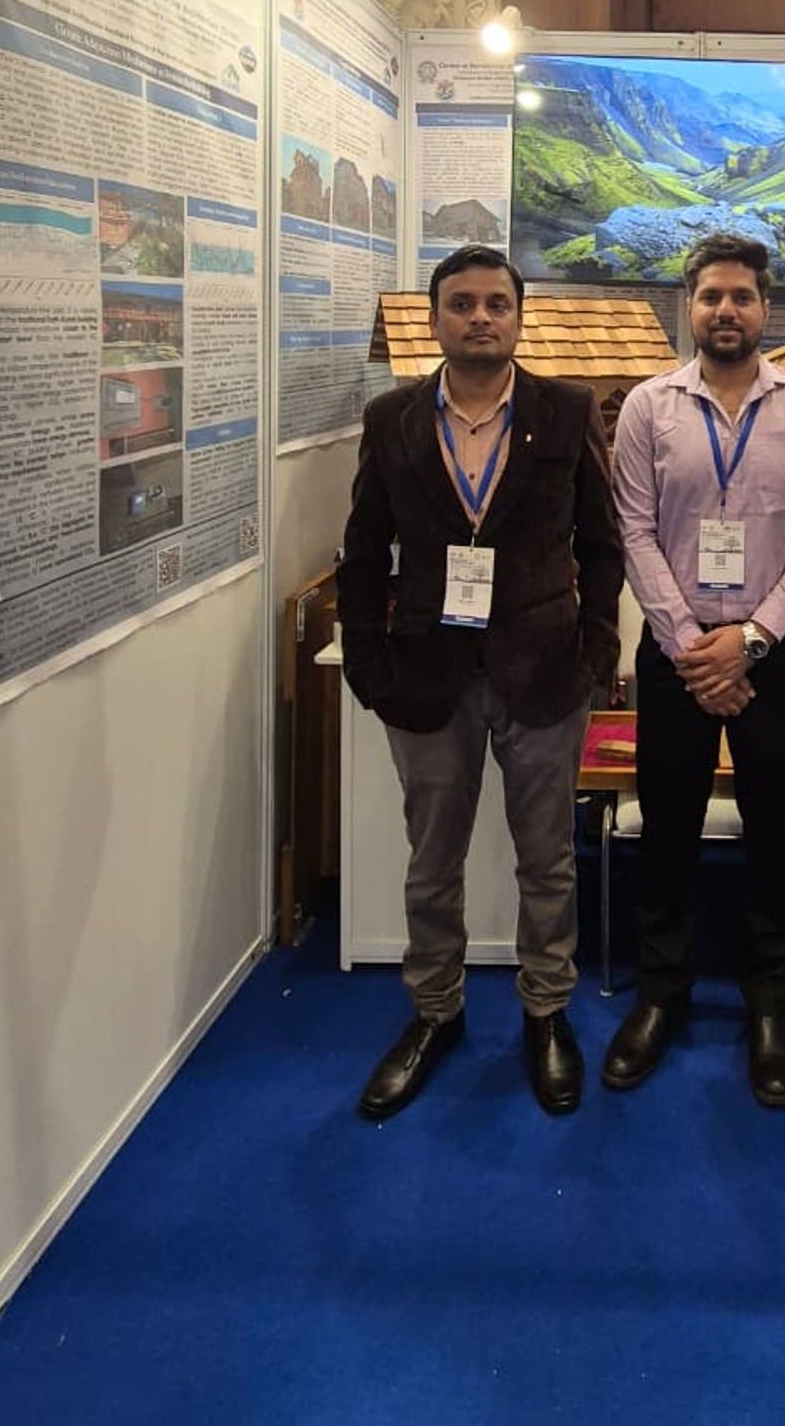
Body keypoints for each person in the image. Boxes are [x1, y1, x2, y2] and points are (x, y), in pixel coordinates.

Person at [337, 244, 624, 1120]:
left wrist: (594, 653)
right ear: (435, 319)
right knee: (432, 862)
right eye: (461, 303)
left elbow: (602, 544)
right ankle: (436, 1009)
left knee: (547, 860)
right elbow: (363, 550)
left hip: (545, 673)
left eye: (497, 302)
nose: (480, 317)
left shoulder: (567, 411)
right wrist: (367, 665)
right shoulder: (391, 418)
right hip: (426, 678)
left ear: (518, 317)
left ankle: (546, 1011)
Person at [604, 233, 785, 1106]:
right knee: (667, 825)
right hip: (676, 652)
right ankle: (660, 994)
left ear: (765, 308)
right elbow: (633, 530)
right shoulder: (648, 407)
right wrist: (689, 643)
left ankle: (770, 1003)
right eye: (711, 295)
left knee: (776, 828)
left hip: (773, 653)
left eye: (742, 295)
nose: (726, 310)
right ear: (690, 304)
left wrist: (752, 637)